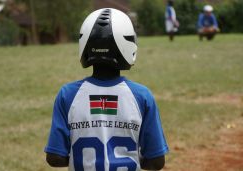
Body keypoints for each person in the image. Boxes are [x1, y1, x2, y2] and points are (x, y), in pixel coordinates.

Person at [44, 8, 169, 171]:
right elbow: (156, 161)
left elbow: (55, 158)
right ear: (127, 44)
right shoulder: (141, 96)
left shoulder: (67, 95)